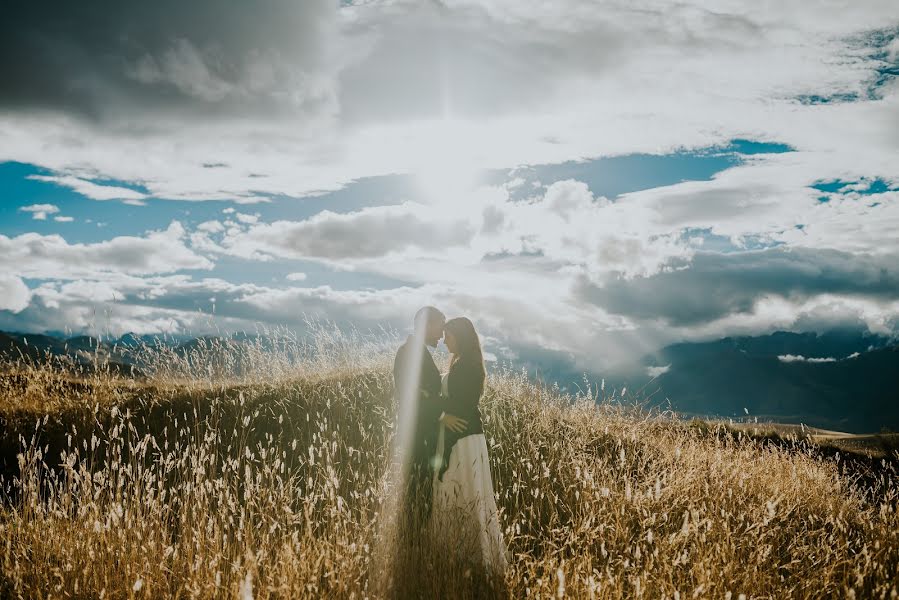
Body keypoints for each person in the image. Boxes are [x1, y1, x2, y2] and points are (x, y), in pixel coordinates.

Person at [432, 316, 508, 575]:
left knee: (464, 492)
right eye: (442, 335)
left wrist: (433, 406)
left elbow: (461, 405)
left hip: (462, 439)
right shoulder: (463, 364)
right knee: (462, 493)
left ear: (460, 337)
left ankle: (473, 556)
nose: (443, 341)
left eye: (448, 336)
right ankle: (460, 553)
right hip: (461, 436)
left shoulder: (467, 367)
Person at [393, 306, 452, 521]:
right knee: (416, 490)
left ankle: (417, 538)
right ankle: (413, 541)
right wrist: (440, 412)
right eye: (440, 326)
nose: (442, 333)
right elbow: (411, 395)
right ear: (427, 325)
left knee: (422, 489)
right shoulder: (409, 353)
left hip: (424, 433)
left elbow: (425, 393)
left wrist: (429, 396)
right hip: (417, 435)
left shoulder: (417, 351)